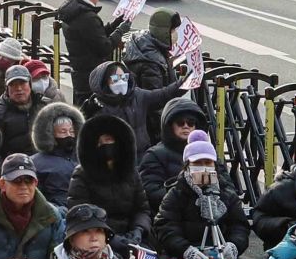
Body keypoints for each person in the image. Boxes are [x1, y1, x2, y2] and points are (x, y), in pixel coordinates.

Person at [154, 134, 253, 259]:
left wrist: (234, 245)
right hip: (186, 258)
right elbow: (165, 227)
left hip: (222, 257)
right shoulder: (176, 194)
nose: (203, 168)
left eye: (208, 163)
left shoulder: (227, 193)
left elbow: (240, 226)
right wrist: (186, 251)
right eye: (198, 163)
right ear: (188, 166)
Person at [67, 112, 152, 246]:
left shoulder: (131, 173)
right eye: (99, 143)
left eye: (108, 140)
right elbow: (81, 214)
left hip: (132, 238)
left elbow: (142, 209)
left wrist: (139, 230)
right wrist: (110, 237)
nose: (105, 145)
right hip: (97, 239)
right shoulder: (81, 175)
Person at [54, 0, 129, 106]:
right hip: (91, 74)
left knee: (80, 108)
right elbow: (104, 47)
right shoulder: (87, 17)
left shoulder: (73, 10)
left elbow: (93, 36)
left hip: (79, 71)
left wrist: (115, 24)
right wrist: (120, 31)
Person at [137, 95, 212, 213]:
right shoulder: (154, 155)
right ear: (170, 125)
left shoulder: (206, 152)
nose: (186, 126)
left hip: (209, 213)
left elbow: (226, 187)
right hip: (173, 217)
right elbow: (151, 193)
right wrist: (187, 193)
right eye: (180, 122)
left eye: (191, 123)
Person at [30, 100, 83, 210]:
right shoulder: (36, 163)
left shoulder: (84, 157)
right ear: (50, 134)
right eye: (63, 132)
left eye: (72, 131)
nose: (69, 135)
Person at [0, 63, 42, 156]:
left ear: (30, 84)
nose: (18, 88)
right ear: (7, 88)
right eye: (13, 84)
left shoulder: (44, 106)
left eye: (22, 83)